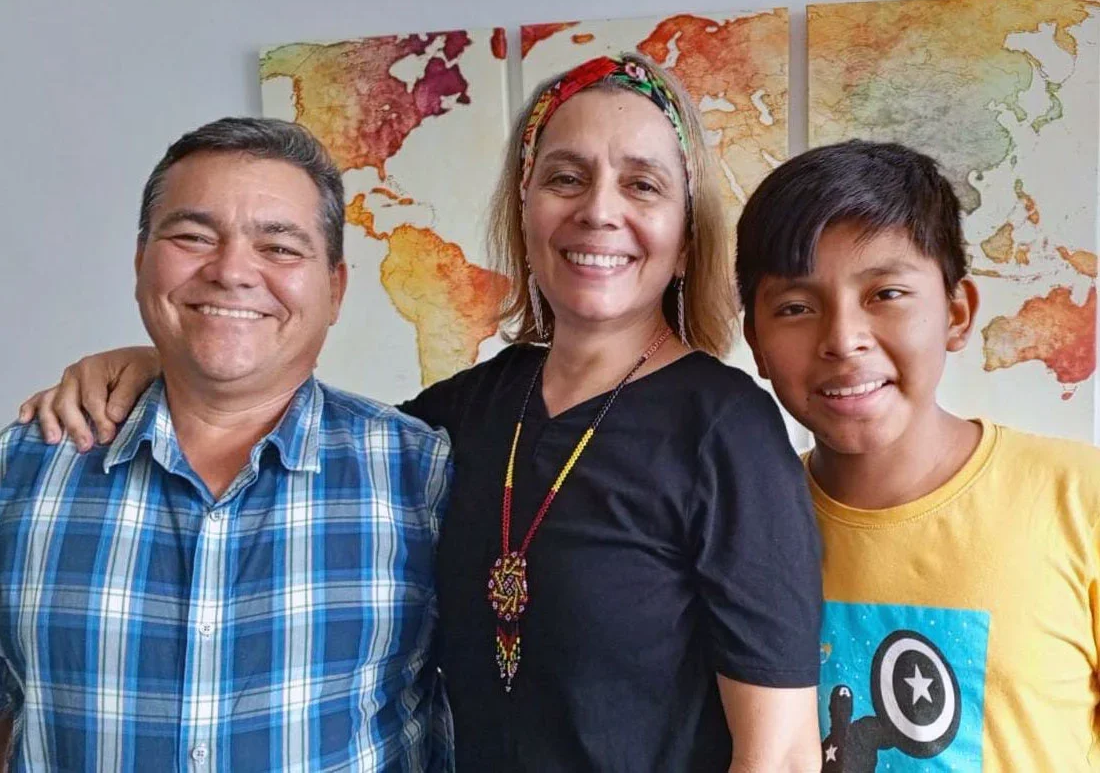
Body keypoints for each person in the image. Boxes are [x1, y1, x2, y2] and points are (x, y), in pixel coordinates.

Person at [18, 54, 824, 771]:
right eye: (565, 178)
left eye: (642, 184)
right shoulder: (457, 420)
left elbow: (780, 755)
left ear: (685, 238)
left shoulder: (728, 433)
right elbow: (277, 406)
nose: (598, 211)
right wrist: (161, 363)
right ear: (525, 212)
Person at [0, 117, 452, 771]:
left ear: (335, 289)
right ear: (140, 264)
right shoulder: (22, 469)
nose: (232, 270)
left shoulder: (424, 476)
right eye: (193, 237)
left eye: (280, 247)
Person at [736, 140, 1100, 771]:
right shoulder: (741, 532)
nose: (842, 340)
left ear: (957, 313)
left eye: (885, 294)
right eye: (796, 307)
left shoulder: (1079, 499)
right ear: (757, 345)